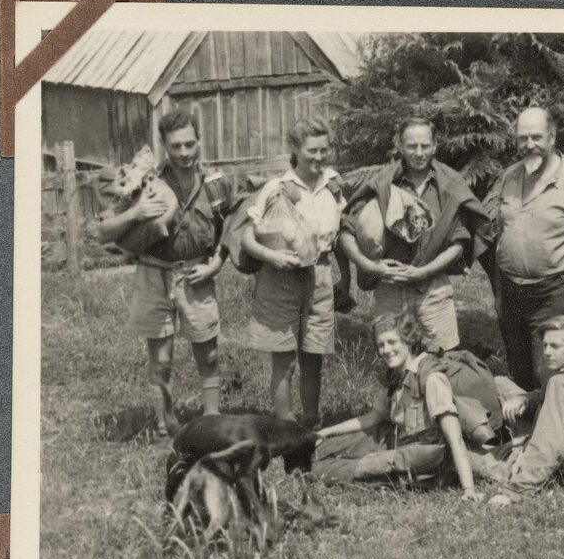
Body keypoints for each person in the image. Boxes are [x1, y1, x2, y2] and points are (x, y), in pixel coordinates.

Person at [97, 110, 238, 435]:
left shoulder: (217, 185)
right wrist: (136, 212)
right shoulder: (144, 185)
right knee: (160, 358)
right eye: (176, 146)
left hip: (196, 274)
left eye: (190, 144)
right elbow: (103, 232)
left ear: (199, 141)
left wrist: (218, 261)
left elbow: (237, 222)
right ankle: (164, 423)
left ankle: (211, 420)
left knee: (210, 353)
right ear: (164, 146)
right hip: (154, 276)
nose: (185, 153)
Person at [339, 117, 492, 352]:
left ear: (434, 146)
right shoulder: (383, 182)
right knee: (394, 362)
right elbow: (345, 232)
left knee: (444, 359)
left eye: (424, 146)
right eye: (411, 146)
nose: (419, 153)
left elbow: (459, 243)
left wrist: (422, 272)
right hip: (390, 286)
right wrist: (369, 266)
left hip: (434, 288)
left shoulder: (449, 183)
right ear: (400, 146)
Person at [310, 311, 483, 502]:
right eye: (381, 345)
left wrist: (468, 489)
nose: (386, 350)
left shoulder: (431, 378)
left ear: (408, 341)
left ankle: (326, 469)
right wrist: (326, 432)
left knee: (322, 470)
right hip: (396, 440)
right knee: (320, 449)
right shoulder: (397, 375)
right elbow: (371, 418)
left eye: (392, 342)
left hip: (422, 458)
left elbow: (455, 438)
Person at [240, 117, 346, 426]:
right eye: (311, 150)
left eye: (324, 150)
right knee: (284, 360)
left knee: (313, 358)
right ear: (295, 150)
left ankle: (311, 424)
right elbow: (247, 237)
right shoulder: (277, 188)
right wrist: (271, 256)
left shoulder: (334, 186)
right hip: (281, 279)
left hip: (321, 277)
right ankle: (285, 429)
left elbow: (339, 237)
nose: (318, 157)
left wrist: (347, 279)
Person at [488, 107, 564, 391]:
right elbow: (503, 236)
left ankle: (557, 432)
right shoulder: (510, 177)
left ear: (552, 137)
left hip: (555, 293)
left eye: (536, 137)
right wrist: (500, 294)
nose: (529, 145)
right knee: (520, 373)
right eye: (522, 138)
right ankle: (528, 432)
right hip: (513, 293)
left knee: (550, 375)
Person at [485, 315, 564, 507]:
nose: (546, 352)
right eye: (545, 345)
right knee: (501, 383)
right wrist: (525, 399)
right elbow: (543, 394)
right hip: (547, 431)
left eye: (554, 346)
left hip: (539, 455)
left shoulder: (561, 383)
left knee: (463, 455)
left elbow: (551, 444)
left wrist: (515, 490)